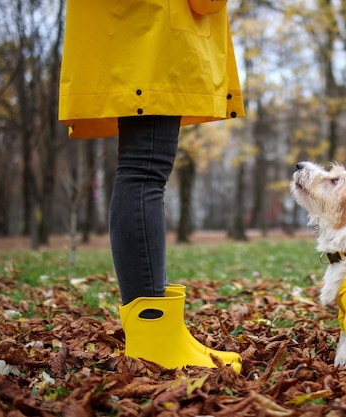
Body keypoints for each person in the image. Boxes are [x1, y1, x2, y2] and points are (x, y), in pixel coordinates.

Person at [58, 0, 244, 372]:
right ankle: (154, 338)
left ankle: (162, 330)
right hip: (154, 33)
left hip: (135, 31)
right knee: (145, 171)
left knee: (142, 171)